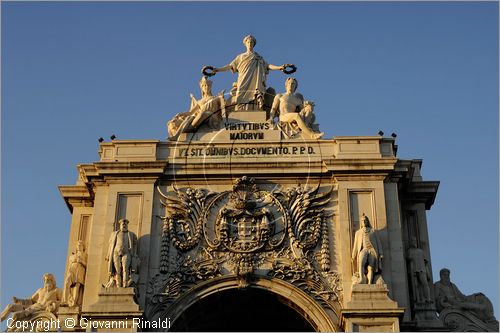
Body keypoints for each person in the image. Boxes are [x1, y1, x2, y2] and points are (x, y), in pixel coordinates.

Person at [211, 35, 292, 108]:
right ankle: (240, 110)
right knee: (241, 95)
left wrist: (279, 67)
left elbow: (268, 66)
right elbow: (230, 66)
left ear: (253, 44)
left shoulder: (258, 57)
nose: (250, 43)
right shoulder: (241, 57)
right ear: (245, 44)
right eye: (248, 42)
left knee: (255, 95)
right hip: (243, 78)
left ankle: (256, 110)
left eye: (251, 42)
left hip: (256, 80)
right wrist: (217, 69)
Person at [351, 214, 383, 284]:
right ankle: (362, 279)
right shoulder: (358, 232)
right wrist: (353, 255)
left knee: (371, 267)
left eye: (365, 220)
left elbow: (378, 243)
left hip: (372, 250)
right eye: (362, 220)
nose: (364, 221)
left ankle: (370, 283)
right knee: (361, 263)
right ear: (361, 222)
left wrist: (381, 253)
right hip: (364, 250)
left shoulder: (373, 231)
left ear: (368, 221)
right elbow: (356, 245)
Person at [106, 219, 138, 288]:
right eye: (123, 224)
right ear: (120, 225)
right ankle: (118, 285)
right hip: (116, 252)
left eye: (125, 224)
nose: (124, 225)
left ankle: (125, 284)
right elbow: (111, 245)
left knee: (125, 269)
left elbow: (135, 245)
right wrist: (108, 255)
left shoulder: (131, 234)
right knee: (117, 270)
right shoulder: (114, 234)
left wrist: (134, 254)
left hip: (127, 253)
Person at [62, 240, 87, 307]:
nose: (79, 246)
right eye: (78, 245)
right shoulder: (72, 256)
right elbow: (69, 266)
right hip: (71, 271)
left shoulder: (85, 255)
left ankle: (74, 303)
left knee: (77, 287)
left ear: (83, 247)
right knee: (66, 283)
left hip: (80, 271)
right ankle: (65, 301)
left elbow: (87, 265)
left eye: (80, 245)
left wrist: (81, 261)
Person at [407, 238, 432, 303]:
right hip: (414, 270)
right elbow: (408, 258)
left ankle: (428, 298)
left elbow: (425, 261)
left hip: (422, 269)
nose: (414, 242)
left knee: (425, 284)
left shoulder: (420, 251)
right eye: (413, 241)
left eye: (415, 241)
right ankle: (419, 299)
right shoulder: (410, 251)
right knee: (416, 285)